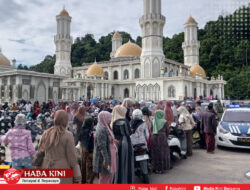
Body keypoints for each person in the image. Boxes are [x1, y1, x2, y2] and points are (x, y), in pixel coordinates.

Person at [38, 110, 81, 183]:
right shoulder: (68, 135)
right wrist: (77, 176)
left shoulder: (46, 133)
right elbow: (72, 157)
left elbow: (40, 151)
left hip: (47, 168)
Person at [93, 111, 118, 184]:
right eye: (109, 118)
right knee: (105, 177)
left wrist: (113, 141)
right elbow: (102, 147)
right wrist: (106, 161)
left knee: (110, 175)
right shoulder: (101, 130)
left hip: (110, 156)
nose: (110, 120)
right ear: (104, 119)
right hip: (105, 158)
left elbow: (107, 139)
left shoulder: (106, 127)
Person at [111, 105, 134, 184]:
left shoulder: (113, 121)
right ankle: (125, 181)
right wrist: (131, 130)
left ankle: (118, 180)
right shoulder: (124, 121)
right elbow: (128, 133)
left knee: (118, 163)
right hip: (125, 143)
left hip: (117, 143)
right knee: (126, 161)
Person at [79, 117, 95, 184]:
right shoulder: (90, 132)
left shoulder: (82, 130)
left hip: (83, 149)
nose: (93, 124)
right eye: (92, 123)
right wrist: (91, 152)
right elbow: (90, 143)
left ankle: (83, 181)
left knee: (83, 165)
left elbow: (79, 139)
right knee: (89, 167)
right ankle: (89, 183)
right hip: (88, 151)